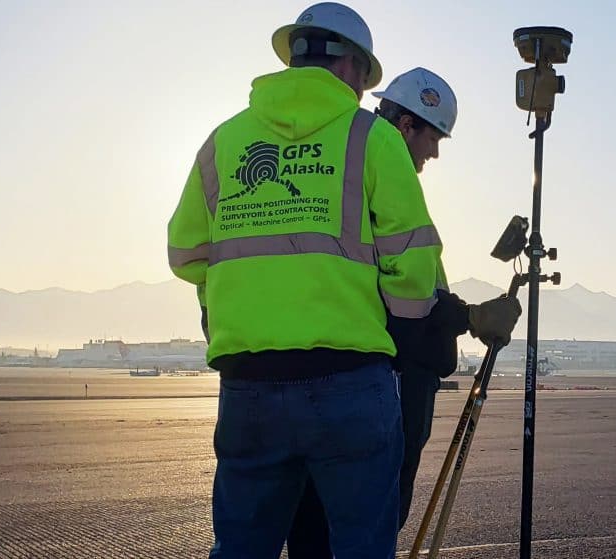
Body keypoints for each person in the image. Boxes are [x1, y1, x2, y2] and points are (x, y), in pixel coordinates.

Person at [167, 3, 515, 557]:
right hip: (349, 381)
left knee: (242, 546)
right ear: (353, 67)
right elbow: (411, 270)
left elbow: (185, 254)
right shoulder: (369, 140)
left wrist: (230, 304)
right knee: (356, 543)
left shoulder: (222, 142)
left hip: (248, 386)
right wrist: (407, 331)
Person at [284, 67, 521, 557]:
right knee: (367, 522)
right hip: (387, 379)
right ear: (407, 124)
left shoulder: (337, 172)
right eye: (433, 138)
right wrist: (471, 318)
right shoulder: (378, 175)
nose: (433, 153)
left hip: (350, 377)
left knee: (315, 524)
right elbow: (400, 297)